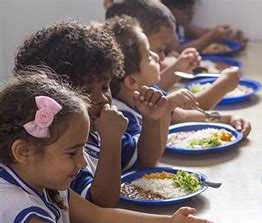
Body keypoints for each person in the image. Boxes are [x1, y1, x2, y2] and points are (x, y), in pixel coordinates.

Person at [0, 71, 218, 223]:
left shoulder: (44, 184)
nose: (82, 162)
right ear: (23, 152)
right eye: (72, 153)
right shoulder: (17, 206)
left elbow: (100, 219)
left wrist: (169, 222)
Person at [13, 20, 197, 209]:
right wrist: (111, 141)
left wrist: (151, 118)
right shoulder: (61, 150)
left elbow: (145, 161)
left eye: (105, 86)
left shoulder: (95, 130)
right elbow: (103, 204)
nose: (102, 98)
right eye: (85, 91)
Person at [104, 15, 251, 142]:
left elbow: (185, 116)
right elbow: (146, 158)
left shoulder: (150, 91)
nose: (158, 57)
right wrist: (223, 85)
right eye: (149, 56)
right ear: (132, 81)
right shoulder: (122, 117)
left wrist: (229, 119)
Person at [105, 0, 246, 113]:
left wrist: (177, 67)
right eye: (155, 51)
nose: (161, 57)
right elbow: (187, 112)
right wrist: (224, 84)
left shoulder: (140, 87)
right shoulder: (125, 107)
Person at [161, 0, 248, 53]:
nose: (190, 12)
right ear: (167, 8)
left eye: (191, 7)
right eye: (182, 8)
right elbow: (177, 51)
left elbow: (202, 32)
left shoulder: (182, 24)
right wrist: (211, 37)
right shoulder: (164, 26)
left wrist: (231, 36)